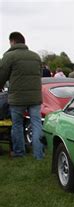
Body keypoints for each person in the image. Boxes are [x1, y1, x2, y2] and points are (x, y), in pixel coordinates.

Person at [0, 31, 43, 159]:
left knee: (17, 125)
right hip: (35, 97)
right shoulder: (36, 56)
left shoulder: (9, 56)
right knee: (36, 124)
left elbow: (2, 75)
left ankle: (19, 153)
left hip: (17, 97)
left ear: (12, 41)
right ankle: (39, 154)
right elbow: (39, 74)